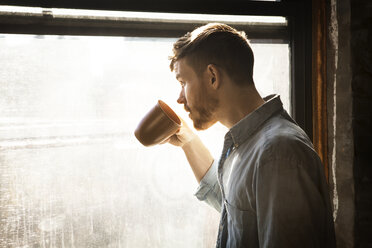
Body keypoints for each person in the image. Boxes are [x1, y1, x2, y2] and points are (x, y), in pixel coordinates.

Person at [165, 23, 336, 247]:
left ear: (212, 76)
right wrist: (188, 142)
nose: (179, 98)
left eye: (183, 82)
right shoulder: (247, 145)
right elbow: (235, 212)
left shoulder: (278, 153)